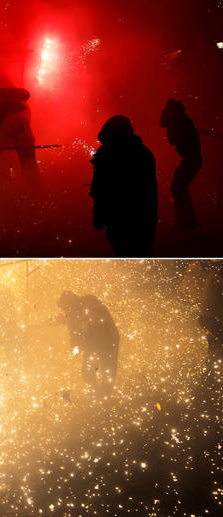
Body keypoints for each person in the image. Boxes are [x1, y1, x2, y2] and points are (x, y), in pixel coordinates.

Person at [89, 115, 157, 257]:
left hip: (123, 218)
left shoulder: (107, 154)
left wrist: (99, 216)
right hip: (141, 218)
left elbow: (100, 189)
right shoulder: (143, 152)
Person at [57, 291, 120, 395]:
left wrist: (85, 345)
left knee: (107, 371)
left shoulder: (90, 305)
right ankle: (95, 395)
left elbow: (99, 329)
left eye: (66, 308)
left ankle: (106, 396)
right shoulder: (72, 315)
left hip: (108, 341)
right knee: (87, 372)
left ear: (72, 303)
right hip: (93, 343)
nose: (66, 311)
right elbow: (74, 333)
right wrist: (75, 346)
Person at [160, 98, 202, 231]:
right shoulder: (181, 120)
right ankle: (189, 220)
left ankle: (185, 221)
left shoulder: (179, 121)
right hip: (192, 160)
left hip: (191, 160)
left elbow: (173, 139)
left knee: (178, 187)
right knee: (179, 187)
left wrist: (167, 119)